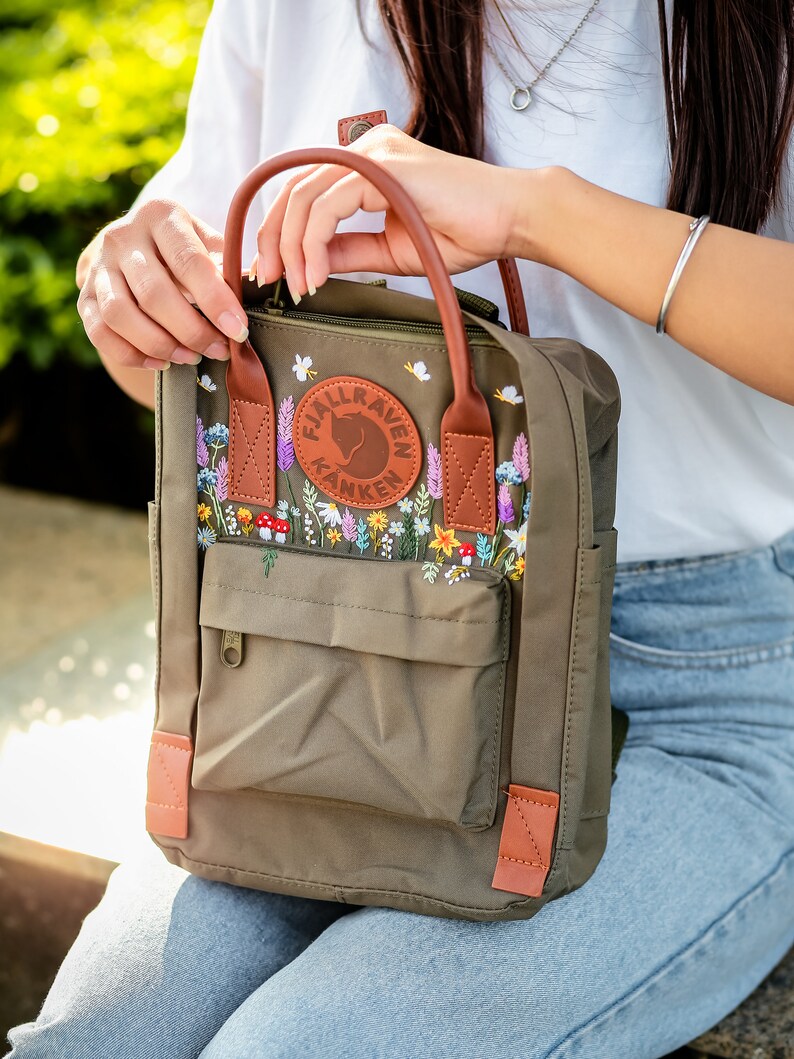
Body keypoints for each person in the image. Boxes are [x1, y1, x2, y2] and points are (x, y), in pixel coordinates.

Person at [8, 1, 794, 1056]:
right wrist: (131, 288)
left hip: (698, 689)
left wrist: (534, 213)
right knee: (96, 1040)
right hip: (339, 653)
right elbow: (212, 376)